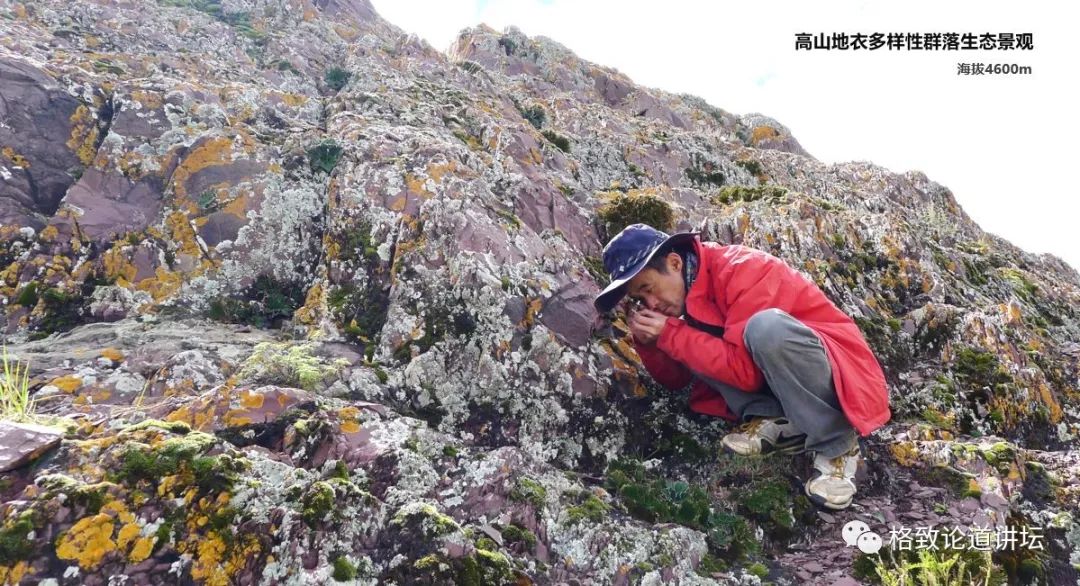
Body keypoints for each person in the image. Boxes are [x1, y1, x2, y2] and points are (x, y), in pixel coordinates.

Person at [593, 223, 891, 510]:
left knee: (765, 329)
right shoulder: (688, 291)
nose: (651, 304)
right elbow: (677, 380)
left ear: (674, 263)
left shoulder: (743, 269)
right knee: (698, 342)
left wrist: (672, 334)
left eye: (649, 289)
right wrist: (650, 342)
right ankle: (776, 419)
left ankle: (838, 446)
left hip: (841, 377)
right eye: (639, 299)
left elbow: (745, 373)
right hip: (780, 382)